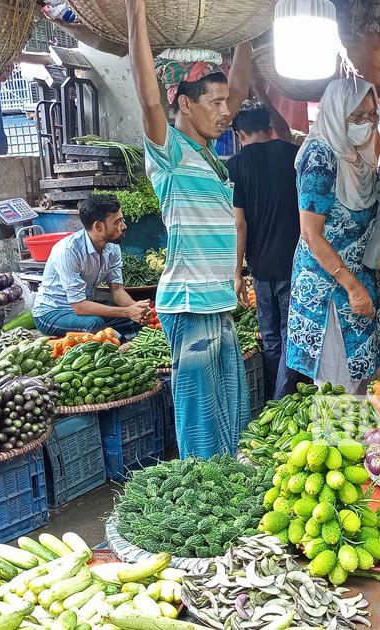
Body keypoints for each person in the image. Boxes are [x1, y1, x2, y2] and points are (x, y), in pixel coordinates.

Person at [126, 0, 253, 458]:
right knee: (201, 415)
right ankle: (204, 489)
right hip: (188, 301)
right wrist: (135, 15)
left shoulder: (209, 151)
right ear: (184, 104)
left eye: (226, 103)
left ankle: (225, 486)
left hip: (216, 300)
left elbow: (239, 86)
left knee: (231, 411)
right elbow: (147, 96)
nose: (226, 111)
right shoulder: (171, 151)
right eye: (215, 103)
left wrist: (247, 26)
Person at [286, 78, 380, 395]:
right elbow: (311, 234)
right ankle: (336, 442)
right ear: (334, 114)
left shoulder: (359, 155)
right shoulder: (320, 157)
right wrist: (352, 287)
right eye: (357, 117)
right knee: (337, 387)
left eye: (371, 116)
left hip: (361, 279)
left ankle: (363, 441)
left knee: (364, 379)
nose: (365, 124)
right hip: (329, 287)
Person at [227, 101, 308, 399]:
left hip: (260, 267)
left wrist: (238, 272)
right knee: (290, 333)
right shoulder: (292, 155)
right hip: (293, 262)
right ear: (269, 127)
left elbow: (240, 224)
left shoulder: (235, 165)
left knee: (271, 335)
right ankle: (282, 398)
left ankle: (277, 398)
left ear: (240, 134)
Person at [32, 194, 151, 339]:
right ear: (98, 226)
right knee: (94, 324)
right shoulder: (68, 251)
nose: (124, 226)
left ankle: (118, 336)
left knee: (131, 321)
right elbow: (79, 306)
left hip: (84, 308)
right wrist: (127, 312)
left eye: (122, 219)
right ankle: (119, 340)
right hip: (52, 313)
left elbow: (117, 290)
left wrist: (137, 310)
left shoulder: (112, 247)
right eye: (118, 221)